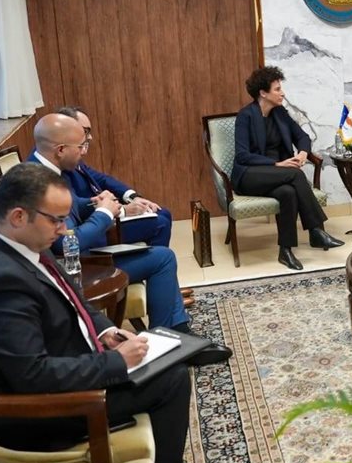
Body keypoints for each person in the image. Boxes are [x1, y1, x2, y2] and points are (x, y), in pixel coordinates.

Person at [0, 164, 223, 463]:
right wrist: (115, 363)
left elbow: (72, 298)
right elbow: (32, 376)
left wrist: (106, 330)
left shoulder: (17, 244)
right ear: (18, 216)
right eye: (56, 220)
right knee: (171, 380)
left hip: (63, 367)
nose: (64, 229)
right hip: (32, 412)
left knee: (167, 359)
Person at [27, 115, 231, 368]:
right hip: (74, 270)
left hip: (79, 260)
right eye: (80, 146)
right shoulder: (40, 182)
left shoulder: (46, 169)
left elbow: (72, 206)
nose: (84, 151)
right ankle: (172, 340)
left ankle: (176, 334)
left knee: (161, 256)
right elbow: (67, 243)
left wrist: (94, 203)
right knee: (162, 259)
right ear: (60, 150)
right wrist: (104, 213)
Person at [233, 66, 343, 271]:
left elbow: (302, 136)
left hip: (279, 176)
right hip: (250, 175)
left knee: (287, 193)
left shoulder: (280, 113)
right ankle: (315, 230)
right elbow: (242, 156)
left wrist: (302, 153)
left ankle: (286, 251)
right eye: (277, 89)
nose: (282, 93)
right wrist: (276, 164)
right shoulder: (245, 116)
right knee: (295, 174)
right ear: (263, 93)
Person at [54, 106, 172, 248]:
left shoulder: (72, 156)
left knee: (163, 213)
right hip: (96, 226)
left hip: (105, 211)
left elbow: (102, 179)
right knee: (161, 223)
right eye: (86, 131)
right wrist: (123, 210)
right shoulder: (59, 164)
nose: (90, 137)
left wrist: (132, 197)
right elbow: (75, 217)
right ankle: (153, 259)